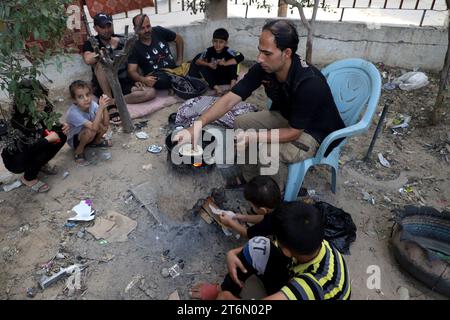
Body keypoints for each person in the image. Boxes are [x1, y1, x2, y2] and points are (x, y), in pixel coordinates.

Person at [175, 20, 345, 191]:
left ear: (286, 53)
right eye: (259, 51)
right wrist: (196, 126)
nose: (259, 58)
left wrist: (254, 137)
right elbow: (229, 99)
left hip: (312, 132)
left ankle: (270, 199)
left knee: (266, 150)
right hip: (287, 116)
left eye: (267, 53)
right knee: (242, 123)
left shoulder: (309, 83)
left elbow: (294, 132)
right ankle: (250, 178)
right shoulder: (264, 68)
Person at [190, 201, 351, 300]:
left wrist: (227, 299)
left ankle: (225, 293)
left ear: (286, 251)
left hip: (310, 292)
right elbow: (269, 243)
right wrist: (232, 253)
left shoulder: (313, 285)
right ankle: (223, 288)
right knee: (258, 245)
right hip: (296, 276)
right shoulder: (310, 240)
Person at [82, 13, 156, 125]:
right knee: (101, 64)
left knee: (150, 92)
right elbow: (88, 59)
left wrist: (137, 80)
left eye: (108, 26)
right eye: (103, 27)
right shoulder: (91, 43)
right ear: (95, 28)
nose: (107, 30)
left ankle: (113, 102)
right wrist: (106, 49)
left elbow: (133, 62)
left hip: (123, 82)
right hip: (105, 85)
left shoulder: (122, 40)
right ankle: (110, 105)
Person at [1, 80, 68, 193]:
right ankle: (28, 178)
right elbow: (26, 148)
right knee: (40, 150)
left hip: (32, 147)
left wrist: (61, 127)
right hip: (16, 159)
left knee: (61, 135)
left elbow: (47, 126)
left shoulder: (42, 110)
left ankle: (39, 165)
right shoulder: (19, 120)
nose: (41, 101)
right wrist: (47, 139)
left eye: (41, 97)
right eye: (36, 99)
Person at [128, 14, 184, 90]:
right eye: (142, 28)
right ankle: (180, 80)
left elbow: (178, 39)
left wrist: (179, 60)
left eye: (148, 26)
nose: (147, 30)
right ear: (135, 29)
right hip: (158, 76)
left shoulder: (158, 31)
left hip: (175, 70)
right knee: (162, 81)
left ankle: (179, 79)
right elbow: (132, 71)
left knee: (199, 59)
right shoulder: (134, 46)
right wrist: (143, 80)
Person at [65, 80, 112, 165]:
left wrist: (104, 107)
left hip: (90, 133)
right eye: (80, 97)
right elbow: (94, 127)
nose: (86, 99)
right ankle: (79, 151)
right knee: (90, 130)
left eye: (87, 94)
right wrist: (100, 109)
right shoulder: (73, 113)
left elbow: (105, 124)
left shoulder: (92, 104)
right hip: (76, 140)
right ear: (74, 100)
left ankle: (96, 142)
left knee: (101, 126)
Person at [188, 28, 244, 96]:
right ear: (212, 41)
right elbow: (197, 61)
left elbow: (241, 56)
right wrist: (208, 64)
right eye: (215, 41)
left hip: (226, 78)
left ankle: (232, 88)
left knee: (234, 62)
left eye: (221, 42)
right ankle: (217, 89)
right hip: (213, 79)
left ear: (226, 43)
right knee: (201, 66)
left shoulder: (228, 50)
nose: (217, 44)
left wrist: (225, 63)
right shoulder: (208, 51)